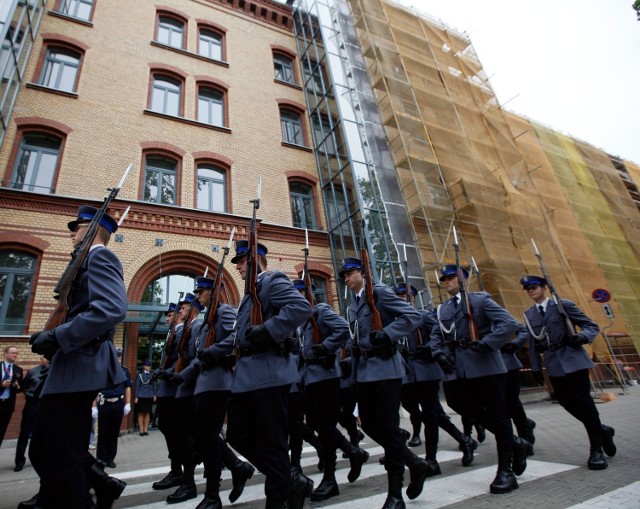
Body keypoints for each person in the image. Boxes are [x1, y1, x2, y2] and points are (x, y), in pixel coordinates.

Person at [28, 205, 127, 509]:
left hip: (81, 365)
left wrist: (58, 337)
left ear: (92, 230)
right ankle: (99, 485)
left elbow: (111, 309)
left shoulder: (100, 255)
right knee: (48, 447)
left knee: (59, 452)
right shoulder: (85, 261)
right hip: (71, 364)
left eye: (77, 226)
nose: (71, 232)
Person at [227, 240, 313, 509]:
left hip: (269, 373)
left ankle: (277, 501)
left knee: (273, 443)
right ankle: (289, 479)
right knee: (236, 436)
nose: (238, 267)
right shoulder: (247, 296)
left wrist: (268, 329)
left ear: (255, 260)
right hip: (246, 377)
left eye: (241, 261)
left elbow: (301, 308)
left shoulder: (271, 280)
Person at [341, 257, 433, 508]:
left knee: (389, 430)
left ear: (362, 272)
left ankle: (395, 495)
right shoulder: (353, 305)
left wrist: (389, 333)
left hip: (386, 370)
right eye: (344, 276)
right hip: (365, 373)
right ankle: (415, 463)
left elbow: (413, 316)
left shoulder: (379, 292)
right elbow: (356, 341)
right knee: (370, 425)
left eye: (350, 274)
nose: (346, 279)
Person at [430, 264, 530, 495]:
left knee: (499, 415)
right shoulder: (442, 309)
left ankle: (505, 471)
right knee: (458, 404)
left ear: (464, 279)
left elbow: (509, 324)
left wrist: (488, 342)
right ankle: (516, 442)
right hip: (460, 368)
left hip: (486, 365)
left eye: (450, 278)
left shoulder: (480, 300)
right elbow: (436, 335)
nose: (445, 282)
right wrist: (438, 353)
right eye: (443, 279)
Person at [517, 275, 616, 470]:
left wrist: (582, 337)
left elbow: (591, 326)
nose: (531, 291)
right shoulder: (529, 314)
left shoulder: (563, 305)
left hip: (573, 359)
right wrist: (536, 368)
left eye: (535, 287)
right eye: (528, 289)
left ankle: (596, 450)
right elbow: (533, 342)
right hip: (554, 363)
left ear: (544, 288)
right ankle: (602, 430)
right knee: (564, 401)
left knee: (585, 403)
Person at [180, 276, 255, 508]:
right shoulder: (206, 321)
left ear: (213, 293)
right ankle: (237, 467)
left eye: (201, 293)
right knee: (203, 437)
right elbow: (199, 357)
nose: (198, 297)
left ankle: (213, 494)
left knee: (208, 437)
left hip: (218, 383)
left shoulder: (223, 312)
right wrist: (180, 376)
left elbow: (235, 337)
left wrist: (212, 351)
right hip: (204, 384)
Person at [292, 278, 368, 502]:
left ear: (309, 295)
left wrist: (325, 347)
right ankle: (354, 452)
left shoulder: (320, 312)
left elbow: (343, 329)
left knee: (325, 428)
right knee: (316, 425)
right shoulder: (302, 321)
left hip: (326, 377)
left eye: (300, 294)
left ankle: (330, 479)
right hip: (309, 380)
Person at [393, 283, 477, 471]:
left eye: (404, 295)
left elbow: (438, 337)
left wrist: (429, 348)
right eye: (397, 295)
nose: (401, 298)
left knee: (431, 415)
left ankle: (432, 458)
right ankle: (464, 439)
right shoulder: (397, 320)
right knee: (420, 410)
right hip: (406, 373)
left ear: (412, 298)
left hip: (425, 369)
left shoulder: (423, 316)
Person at [163, 292, 204, 504]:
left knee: (187, 435)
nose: (180, 312)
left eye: (184, 308)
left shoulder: (197, 327)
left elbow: (196, 358)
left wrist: (180, 375)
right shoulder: (188, 328)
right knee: (181, 433)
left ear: (194, 309)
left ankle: (189, 482)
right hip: (183, 388)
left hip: (190, 387)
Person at [152, 302, 185, 491]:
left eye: (171, 315)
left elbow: (182, 358)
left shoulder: (181, 332)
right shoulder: (171, 333)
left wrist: (169, 372)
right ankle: (176, 467)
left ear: (179, 316)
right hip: (166, 387)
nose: (167, 318)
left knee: (172, 428)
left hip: (173, 387)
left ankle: (177, 469)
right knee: (166, 426)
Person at [501, 325, 536, 451]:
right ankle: (526, 424)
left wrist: (515, 343)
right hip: (485, 366)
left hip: (506, 363)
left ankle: (524, 438)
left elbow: (523, 330)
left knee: (512, 403)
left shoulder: (490, 307)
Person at [97, 347, 132, 469]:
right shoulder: (102, 370)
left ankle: (110, 458)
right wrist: (93, 407)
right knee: (103, 432)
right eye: (115, 356)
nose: (117, 358)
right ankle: (101, 458)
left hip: (118, 403)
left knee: (113, 432)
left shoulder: (124, 371)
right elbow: (95, 389)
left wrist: (128, 404)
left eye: (119, 356)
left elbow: (127, 387)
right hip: (104, 403)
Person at [14, 356, 48, 471]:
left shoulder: (54, 371)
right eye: (44, 357)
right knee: (25, 432)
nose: (46, 360)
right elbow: (25, 387)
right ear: (40, 359)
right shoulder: (33, 371)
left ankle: (41, 458)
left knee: (44, 433)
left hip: (46, 404)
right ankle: (19, 460)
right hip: (32, 403)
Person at [1, 345, 24, 447]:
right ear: (5, 354)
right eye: (13, 353)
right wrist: (1, 385)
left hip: (8, 405)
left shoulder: (18, 369)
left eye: (16, 353)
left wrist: (17, 386)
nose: (15, 355)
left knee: (1, 430)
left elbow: (20, 388)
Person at [134, 360, 156, 436]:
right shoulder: (139, 375)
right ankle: (141, 430)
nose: (149, 367)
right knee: (140, 413)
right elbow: (137, 387)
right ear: (144, 366)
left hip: (149, 395)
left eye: (150, 366)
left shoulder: (152, 375)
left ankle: (145, 430)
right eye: (147, 366)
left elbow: (154, 385)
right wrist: (136, 396)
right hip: (141, 396)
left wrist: (154, 395)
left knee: (147, 413)